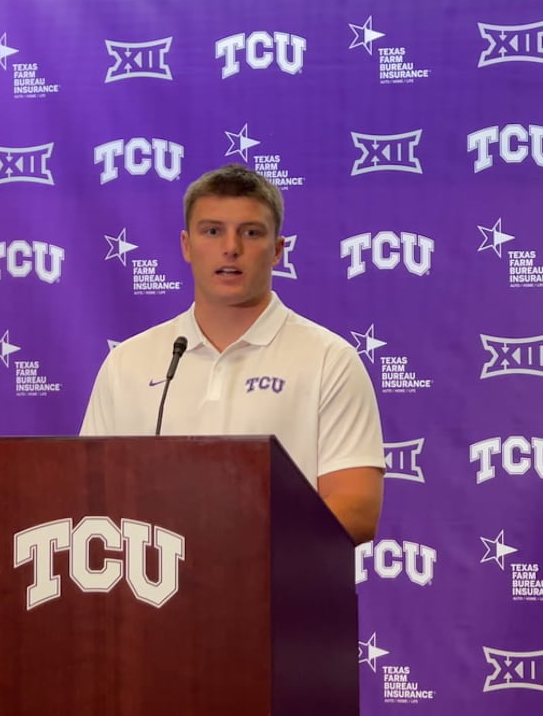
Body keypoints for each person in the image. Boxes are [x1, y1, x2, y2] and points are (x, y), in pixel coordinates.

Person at [81, 164, 384, 544]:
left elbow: (357, 508)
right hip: (154, 577)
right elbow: (88, 495)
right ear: (186, 246)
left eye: (251, 232)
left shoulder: (329, 360)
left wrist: (239, 548)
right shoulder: (128, 362)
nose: (231, 248)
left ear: (277, 251)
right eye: (212, 231)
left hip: (279, 579)